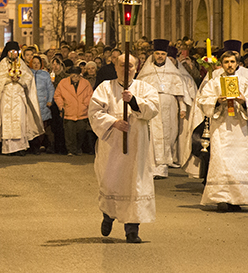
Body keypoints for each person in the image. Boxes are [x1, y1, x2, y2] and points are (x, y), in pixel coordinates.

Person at [88, 52, 159, 243]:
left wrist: (134, 101)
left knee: (135, 185)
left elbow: (153, 108)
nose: (126, 69)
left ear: (136, 68)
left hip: (136, 147)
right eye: (122, 65)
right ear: (115, 67)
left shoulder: (145, 88)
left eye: (130, 66)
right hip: (113, 146)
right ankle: (108, 215)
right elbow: (94, 113)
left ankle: (132, 229)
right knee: (111, 181)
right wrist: (113, 122)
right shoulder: (105, 88)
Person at [197, 51, 248, 211]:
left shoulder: (245, 83)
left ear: (237, 64)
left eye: (232, 62)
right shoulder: (214, 83)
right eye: (226, 62)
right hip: (221, 129)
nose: (229, 65)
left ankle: (238, 199)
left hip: (240, 130)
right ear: (221, 64)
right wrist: (216, 101)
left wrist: (244, 101)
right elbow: (202, 101)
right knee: (221, 162)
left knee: (240, 163)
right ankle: (222, 198)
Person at [136, 39, 188, 178]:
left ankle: (164, 167)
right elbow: (139, 90)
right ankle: (153, 168)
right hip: (152, 108)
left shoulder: (173, 71)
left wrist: (182, 107)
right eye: (157, 53)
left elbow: (180, 92)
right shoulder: (146, 71)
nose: (160, 56)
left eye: (163, 54)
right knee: (152, 136)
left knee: (168, 136)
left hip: (169, 109)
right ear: (153, 54)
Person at [0, 41, 44, 155]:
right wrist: (9, 79)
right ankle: (8, 148)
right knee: (7, 121)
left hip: (18, 97)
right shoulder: (3, 63)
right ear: (7, 52)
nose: (13, 54)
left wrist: (20, 79)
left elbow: (29, 78)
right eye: (11, 51)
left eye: (15, 51)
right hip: (6, 96)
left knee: (20, 121)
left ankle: (20, 147)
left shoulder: (21, 63)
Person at [54, 63, 92, 155]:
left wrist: (85, 104)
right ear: (70, 75)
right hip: (68, 111)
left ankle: (78, 148)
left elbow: (90, 95)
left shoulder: (86, 83)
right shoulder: (63, 83)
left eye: (77, 76)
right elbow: (58, 96)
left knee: (81, 131)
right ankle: (71, 150)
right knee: (69, 133)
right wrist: (61, 106)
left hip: (82, 112)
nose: (75, 77)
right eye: (73, 76)